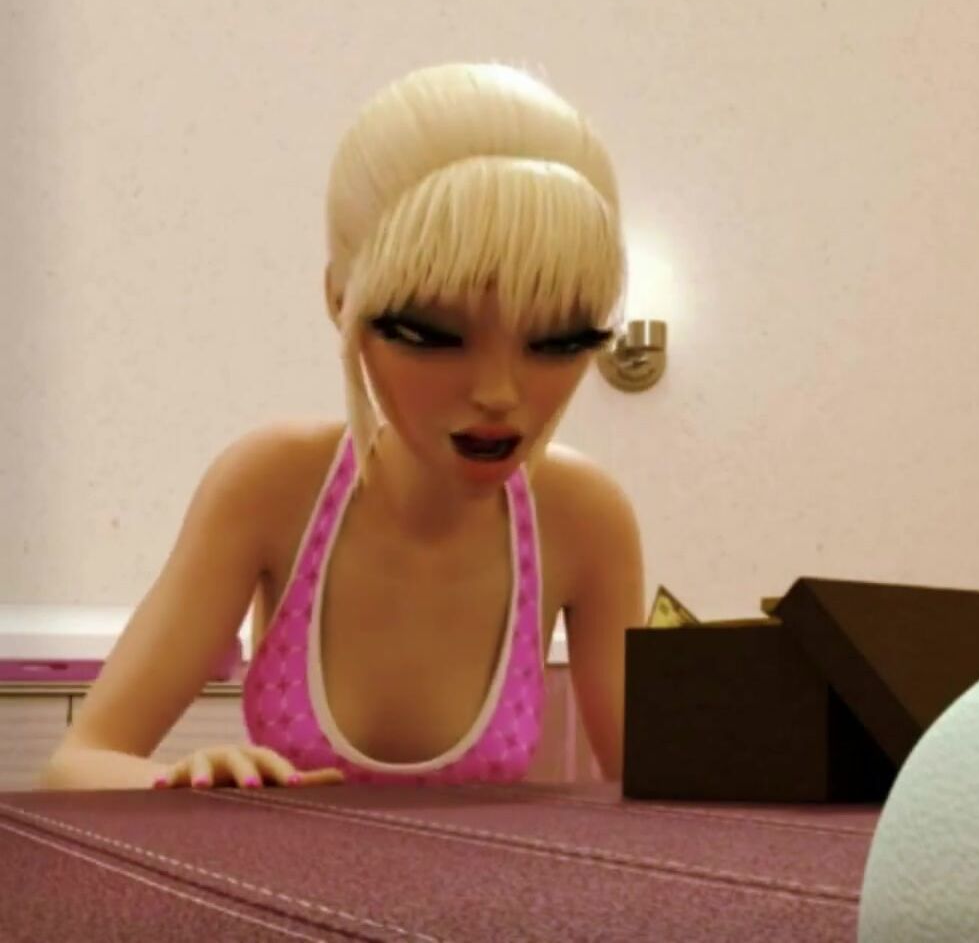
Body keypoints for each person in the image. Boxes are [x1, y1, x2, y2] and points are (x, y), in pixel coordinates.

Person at [38, 62, 646, 789]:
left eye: (556, 343)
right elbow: (77, 762)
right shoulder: (272, 485)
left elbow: (651, 794)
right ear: (340, 300)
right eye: (432, 335)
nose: (497, 392)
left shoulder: (584, 518)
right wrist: (189, 787)